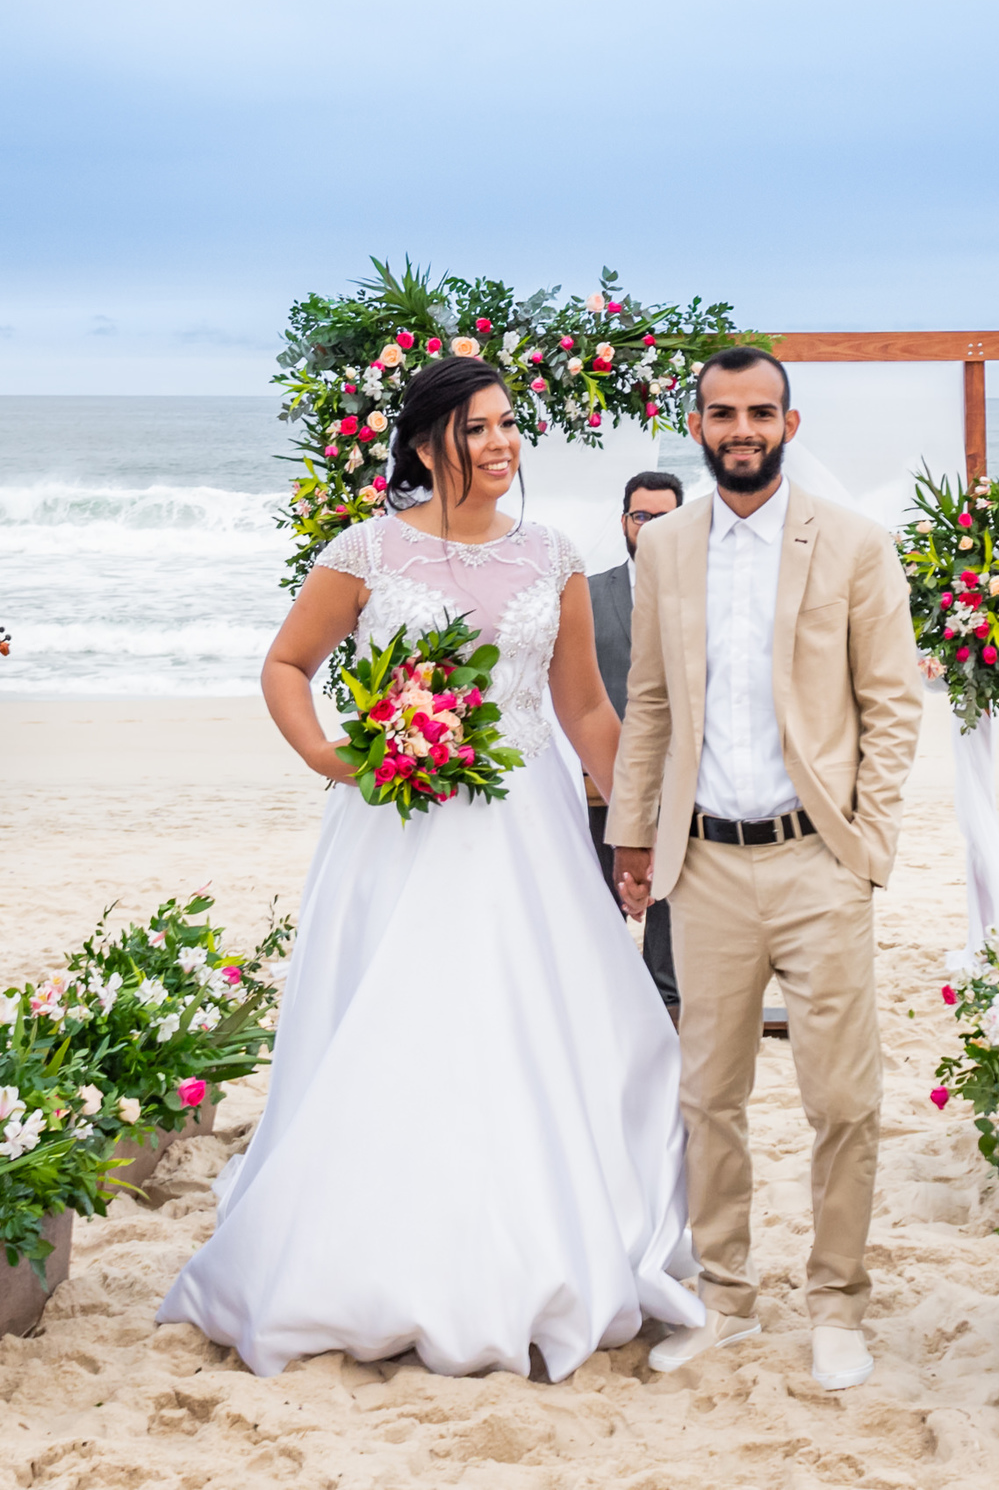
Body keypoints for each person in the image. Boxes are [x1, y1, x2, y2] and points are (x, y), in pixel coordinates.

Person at [157, 356, 703, 1379]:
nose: (501, 444)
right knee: (396, 1026)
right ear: (424, 444)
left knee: (539, 1026)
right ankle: (364, 1251)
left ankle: (530, 1244)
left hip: (526, 833)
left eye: (509, 425)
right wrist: (333, 755)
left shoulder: (552, 554)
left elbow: (584, 708)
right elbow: (287, 665)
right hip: (396, 830)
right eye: (478, 429)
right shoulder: (366, 549)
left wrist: (634, 829)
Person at [606, 346, 922, 1390]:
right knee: (711, 1097)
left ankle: (837, 1302)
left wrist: (867, 844)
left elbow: (893, 702)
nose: (740, 429)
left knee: (844, 1099)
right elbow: (649, 702)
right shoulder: (668, 549)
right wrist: (634, 840)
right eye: (721, 412)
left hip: (817, 862)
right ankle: (728, 1298)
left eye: (759, 412)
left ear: (790, 421)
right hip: (706, 868)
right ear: (696, 424)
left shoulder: (857, 545)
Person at [587, 470, 684, 1016]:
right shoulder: (588, 594)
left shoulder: (705, 596)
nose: (650, 528)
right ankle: (604, 1006)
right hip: (603, 779)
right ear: (625, 520)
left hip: (682, 781)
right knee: (601, 900)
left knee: (671, 907)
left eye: (665, 518)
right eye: (641, 516)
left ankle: (666, 1008)